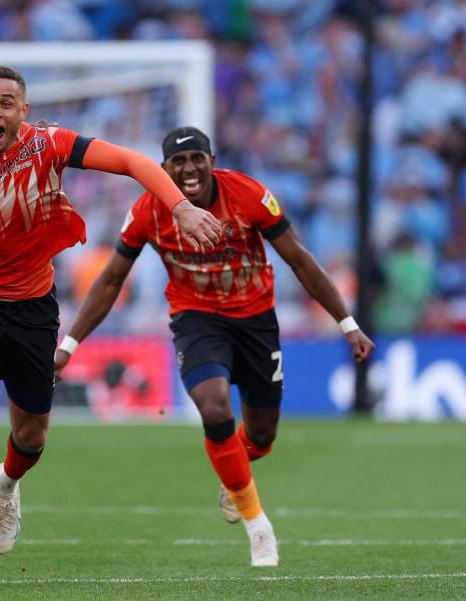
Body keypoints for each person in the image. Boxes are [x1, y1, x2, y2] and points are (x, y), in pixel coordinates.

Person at [0, 65, 221, 579]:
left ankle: (6, 483)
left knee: (31, 438)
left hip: (33, 304)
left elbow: (133, 161)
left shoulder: (50, 144)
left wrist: (179, 206)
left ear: (23, 111)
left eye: (6, 103)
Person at [53, 126, 376, 567]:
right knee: (215, 407)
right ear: (164, 169)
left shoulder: (250, 196)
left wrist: (348, 323)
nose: (188, 169)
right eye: (177, 163)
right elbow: (111, 279)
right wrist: (69, 344)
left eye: (196, 159)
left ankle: (235, 477)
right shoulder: (148, 210)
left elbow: (300, 259)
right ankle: (258, 526)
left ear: (212, 160)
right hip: (196, 319)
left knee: (261, 435)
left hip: (256, 320)